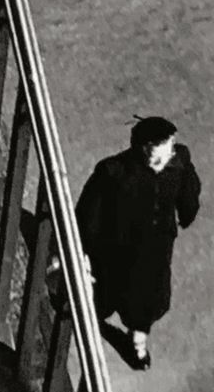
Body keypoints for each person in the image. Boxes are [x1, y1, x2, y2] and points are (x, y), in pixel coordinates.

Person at [75, 116, 201, 370]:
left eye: (171, 145)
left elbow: (189, 191)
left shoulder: (178, 162)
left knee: (147, 299)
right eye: (163, 147)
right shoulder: (113, 172)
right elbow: (88, 216)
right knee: (105, 294)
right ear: (144, 148)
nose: (170, 152)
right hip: (116, 247)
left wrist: (187, 211)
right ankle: (93, 318)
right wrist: (84, 254)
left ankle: (136, 342)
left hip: (155, 248)